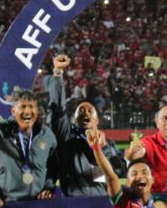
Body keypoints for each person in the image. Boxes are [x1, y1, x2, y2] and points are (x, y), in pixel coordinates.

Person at [44, 55, 124, 197]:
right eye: (80, 111)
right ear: (74, 119)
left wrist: (103, 148)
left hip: (100, 205)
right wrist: (57, 73)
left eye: (90, 111)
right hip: (73, 203)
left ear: (97, 120)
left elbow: (119, 171)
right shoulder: (67, 137)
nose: (85, 113)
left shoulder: (107, 143)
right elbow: (57, 109)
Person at [0, 89, 57, 201]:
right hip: (9, 202)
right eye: (23, 107)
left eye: (31, 106)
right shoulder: (1, 129)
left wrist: (48, 187)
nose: (27, 111)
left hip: (39, 201)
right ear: (13, 111)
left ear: (37, 111)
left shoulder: (46, 134)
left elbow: (52, 164)